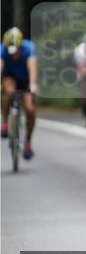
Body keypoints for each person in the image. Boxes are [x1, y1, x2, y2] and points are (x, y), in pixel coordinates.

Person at [1, 27, 39, 159]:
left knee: (30, 109)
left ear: (20, 46)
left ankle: (28, 142)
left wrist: (33, 84)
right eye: (10, 51)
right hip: (10, 77)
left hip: (25, 79)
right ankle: (5, 123)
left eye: (16, 51)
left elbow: (32, 67)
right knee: (8, 91)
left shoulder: (29, 48)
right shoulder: (2, 50)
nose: (13, 55)